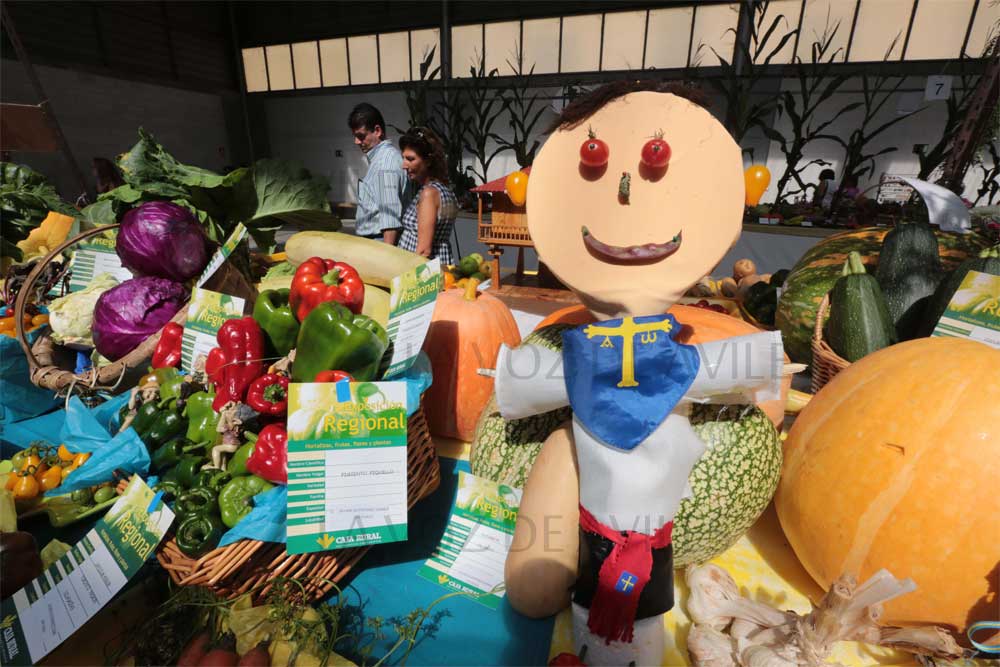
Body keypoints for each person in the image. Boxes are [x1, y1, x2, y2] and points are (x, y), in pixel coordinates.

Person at [347, 103, 412, 243]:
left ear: (377, 131)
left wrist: (386, 257)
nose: (356, 141)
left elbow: (390, 219)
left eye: (361, 136)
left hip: (380, 242)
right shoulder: (384, 159)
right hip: (376, 241)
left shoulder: (385, 164)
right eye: (355, 136)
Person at [397, 127, 458, 264]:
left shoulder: (429, 194)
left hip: (423, 275)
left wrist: (406, 277)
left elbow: (424, 251)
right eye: (404, 158)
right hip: (438, 264)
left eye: (410, 159)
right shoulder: (443, 190)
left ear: (429, 161)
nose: (404, 165)